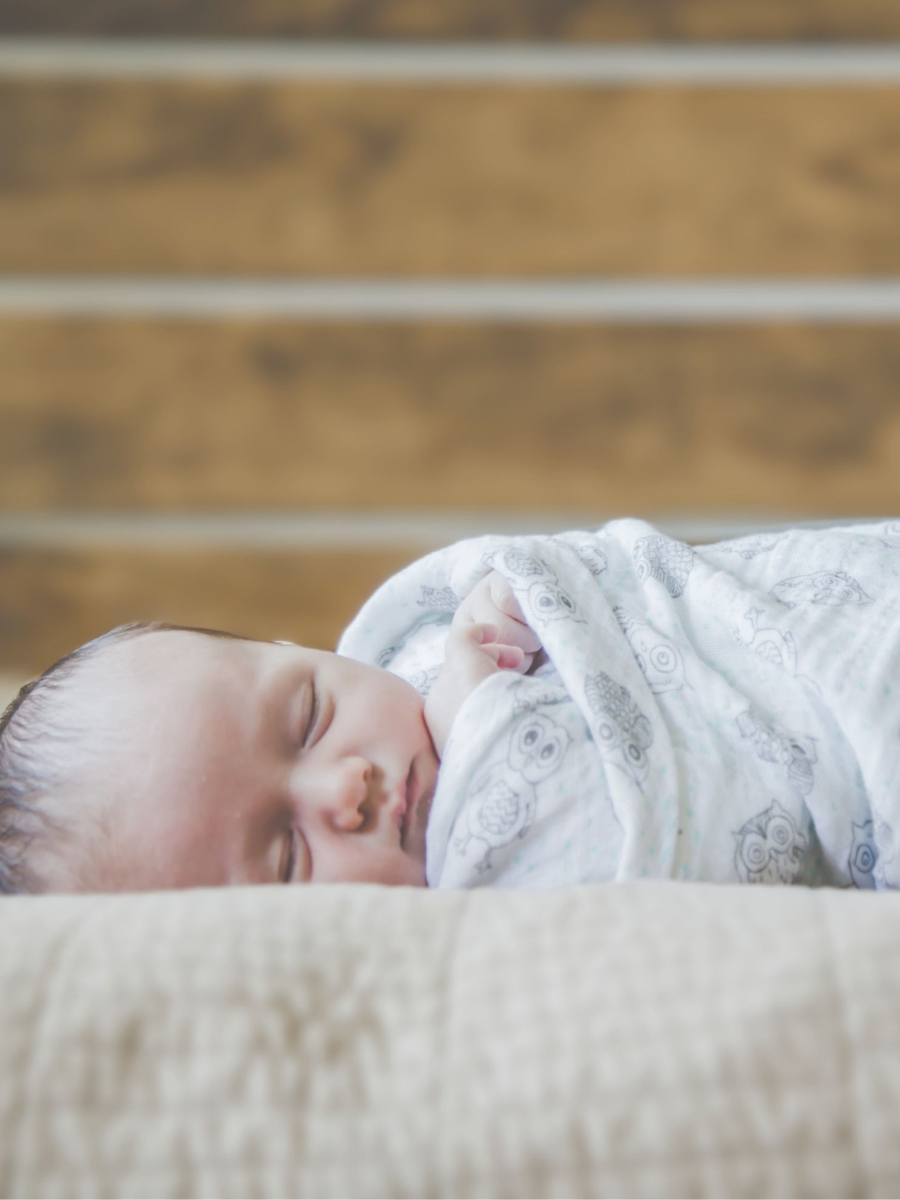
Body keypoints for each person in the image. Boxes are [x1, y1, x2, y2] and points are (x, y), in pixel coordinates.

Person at [3, 517, 900, 894]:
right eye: (285, 856)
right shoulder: (469, 888)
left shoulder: (438, 631)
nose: (343, 789)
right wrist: (483, 722)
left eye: (309, 716)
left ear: (295, 650)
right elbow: (599, 835)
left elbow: (617, 593)